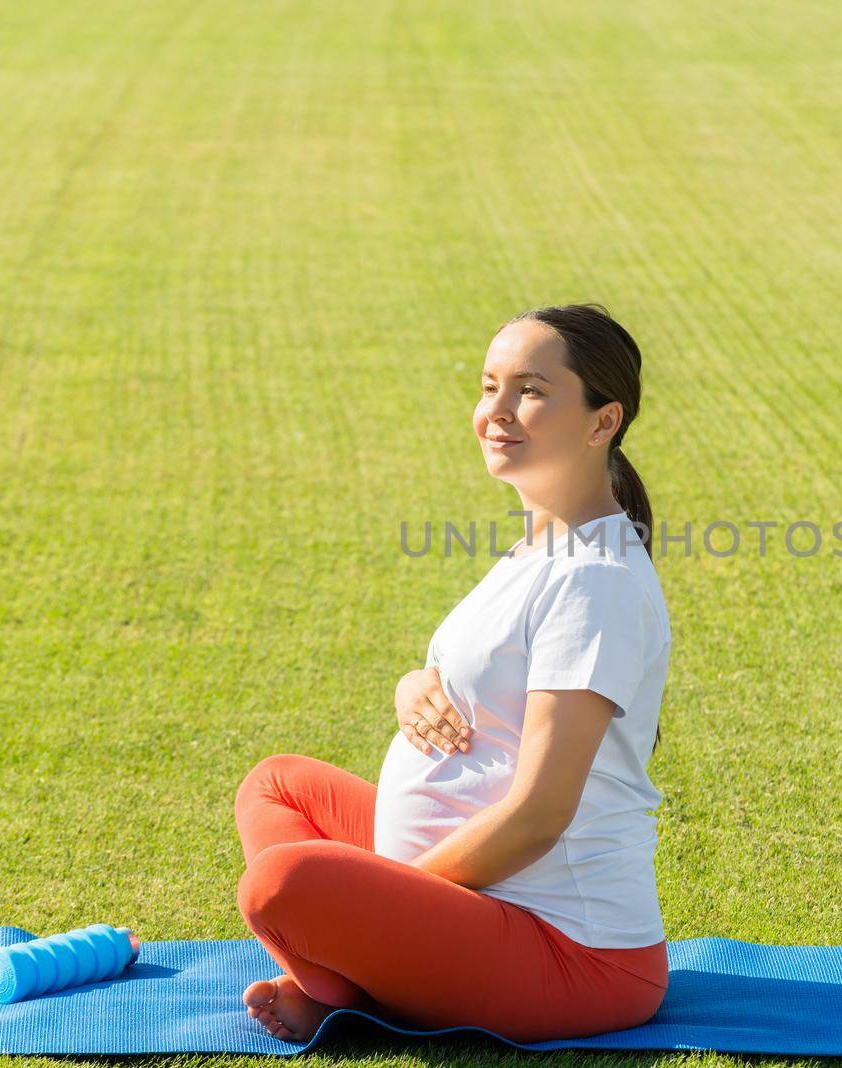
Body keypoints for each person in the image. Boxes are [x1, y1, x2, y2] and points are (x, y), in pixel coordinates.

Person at [234, 303, 672, 1044]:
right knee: (277, 785)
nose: (495, 412)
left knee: (280, 886)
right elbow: (468, 674)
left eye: (530, 391)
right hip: (474, 902)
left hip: (569, 952)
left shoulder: (594, 579)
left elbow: (539, 816)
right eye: (489, 385)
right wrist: (414, 684)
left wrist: (392, 899)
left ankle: (348, 977)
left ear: (603, 422)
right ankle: (354, 976)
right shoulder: (540, 548)